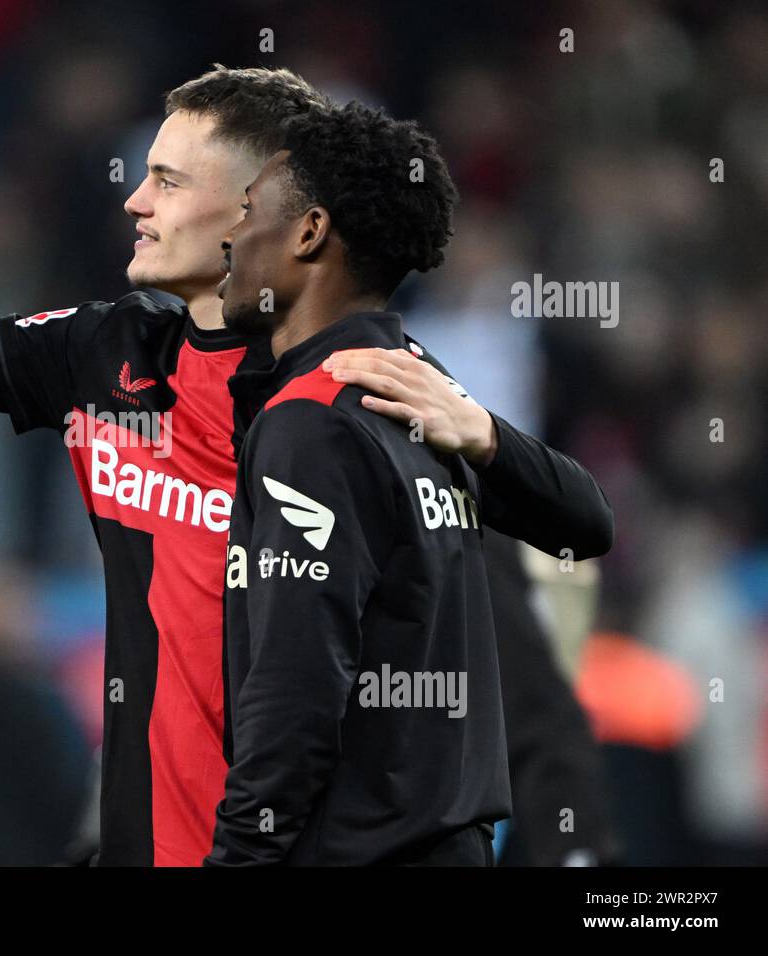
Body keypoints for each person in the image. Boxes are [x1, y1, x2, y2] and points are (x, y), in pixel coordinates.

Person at [0, 66, 612, 866]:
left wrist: (482, 429)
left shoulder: (342, 385)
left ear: (258, 205)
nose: (136, 200)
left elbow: (576, 517)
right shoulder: (102, 356)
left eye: (169, 178)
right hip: (146, 833)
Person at [208, 102, 522, 865]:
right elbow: (589, 519)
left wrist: (238, 858)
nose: (229, 234)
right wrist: (490, 435)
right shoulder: (427, 399)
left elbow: (297, 687)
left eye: (249, 210)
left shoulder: (311, 420)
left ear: (309, 234)